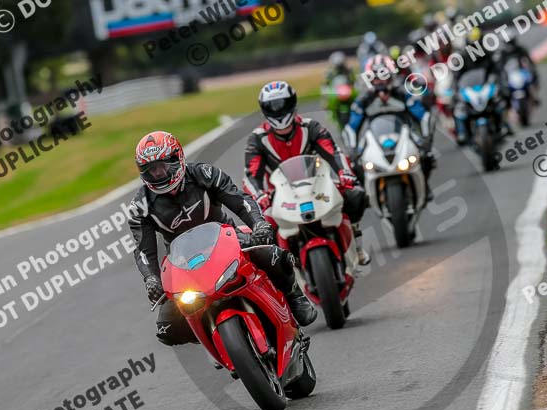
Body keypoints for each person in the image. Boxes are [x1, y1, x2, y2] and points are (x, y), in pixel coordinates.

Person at [128, 130, 317, 346]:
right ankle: (213, 337)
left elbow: (240, 200)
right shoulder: (139, 207)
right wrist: (151, 278)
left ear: (177, 158)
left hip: (227, 239)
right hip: (182, 261)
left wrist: (259, 224)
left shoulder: (205, 174)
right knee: (166, 328)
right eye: (151, 170)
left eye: (163, 165)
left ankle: (294, 296)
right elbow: (144, 250)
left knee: (274, 255)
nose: (159, 174)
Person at [243, 81, 371, 266]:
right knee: (264, 225)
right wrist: (259, 195)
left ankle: (356, 243)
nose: (278, 110)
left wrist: (345, 173)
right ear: (265, 109)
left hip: (317, 185)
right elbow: (251, 173)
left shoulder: (311, 126)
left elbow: (333, 151)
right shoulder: (257, 138)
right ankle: (280, 268)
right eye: (272, 106)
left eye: (282, 104)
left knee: (355, 195)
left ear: (292, 103)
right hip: (279, 195)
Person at [343, 55, 436, 201]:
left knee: (427, 156)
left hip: (405, 133)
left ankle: (424, 185)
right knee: (355, 164)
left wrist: (426, 139)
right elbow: (351, 127)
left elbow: (424, 116)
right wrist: (352, 149)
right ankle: (364, 194)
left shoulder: (403, 94)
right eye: (376, 77)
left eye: (384, 76)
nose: (380, 82)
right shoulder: (363, 100)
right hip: (373, 137)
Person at [501, 33, 540, 101]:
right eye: (508, 42)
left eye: (511, 42)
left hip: (521, 71)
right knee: (502, 84)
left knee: (533, 76)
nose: (510, 45)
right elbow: (500, 66)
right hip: (510, 74)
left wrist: (531, 67)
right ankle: (507, 102)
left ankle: (533, 95)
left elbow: (529, 60)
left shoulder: (520, 49)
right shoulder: (503, 53)